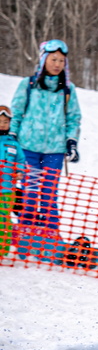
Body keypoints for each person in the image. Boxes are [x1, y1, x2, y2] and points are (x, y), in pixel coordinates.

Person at [10, 39, 81, 233]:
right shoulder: (29, 85)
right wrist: (12, 138)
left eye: (61, 61)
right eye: (53, 59)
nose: (57, 64)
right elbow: (16, 112)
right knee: (30, 191)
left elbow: (73, 118)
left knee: (49, 193)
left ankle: (50, 232)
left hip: (55, 151)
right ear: (43, 61)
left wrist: (71, 142)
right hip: (28, 148)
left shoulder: (67, 90)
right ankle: (26, 229)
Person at [0, 105, 21, 257]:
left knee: (3, 219)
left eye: (5, 122)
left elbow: (21, 161)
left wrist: (19, 171)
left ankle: (2, 250)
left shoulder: (13, 143)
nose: (2, 124)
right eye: (0, 121)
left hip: (7, 189)